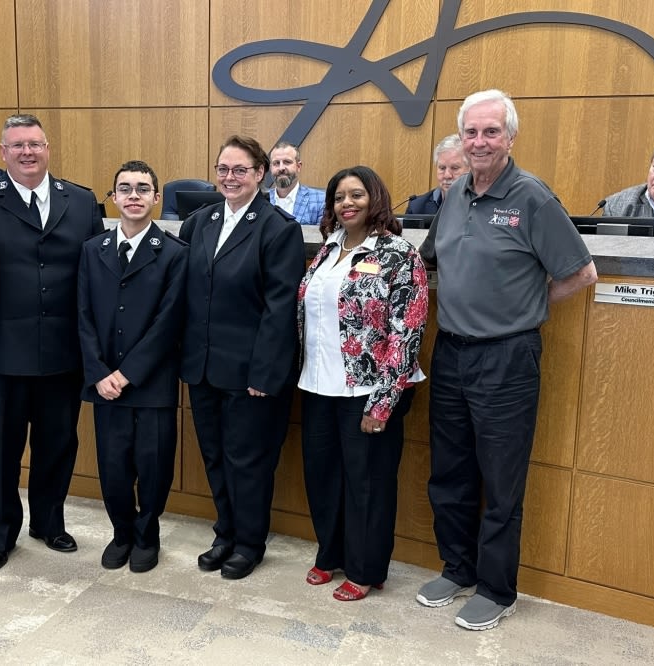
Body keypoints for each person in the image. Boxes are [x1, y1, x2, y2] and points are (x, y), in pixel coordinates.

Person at [417, 89, 597, 630]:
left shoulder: (531, 197)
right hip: (450, 352)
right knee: (449, 472)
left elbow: (581, 274)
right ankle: (458, 568)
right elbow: (430, 262)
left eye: (491, 132)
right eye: (471, 132)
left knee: (501, 480)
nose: (479, 142)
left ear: (510, 137)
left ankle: (497, 589)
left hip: (507, 359)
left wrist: (524, 309)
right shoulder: (453, 196)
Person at [0, 114, 104, 573]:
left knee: (58, 444)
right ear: (2, 154)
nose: (27, 152)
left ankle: (49, 522)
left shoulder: (80, 200)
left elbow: (95, 279)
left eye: (34, 144)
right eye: (16, 146)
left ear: (48, 148)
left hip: (62, 353)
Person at [298, 166, 428, 601]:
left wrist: (383, 402)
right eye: (339, 197)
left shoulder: (398, 253)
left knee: (366, 483)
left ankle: (365, 568)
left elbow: (406, 332)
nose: (346, 203)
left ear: (375, 199)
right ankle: (330, 553)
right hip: (318, 385)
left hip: (368, 390)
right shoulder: (327, 248)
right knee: (322, 476)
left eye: (356, 195)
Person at [179, 135, 305, 580]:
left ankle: (249, 542)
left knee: (247, 461)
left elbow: (280, 308)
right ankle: (225, 532)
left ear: (260, 174)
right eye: (222, 169)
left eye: (239, 170)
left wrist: (266, 372)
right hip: (203, 366)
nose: (229, 178)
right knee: (214, 455)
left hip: (251, 373)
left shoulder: (277, 228)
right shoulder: (200, 221)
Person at [78, 160, 188, 573]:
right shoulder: (92, 250)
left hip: (151, 383)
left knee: (153, 465)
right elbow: (82, 316)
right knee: (113, 465)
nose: (134, 196)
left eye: (143, 189)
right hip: (104, 382)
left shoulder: (175, 253)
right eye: (125, 189)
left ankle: (147, 533)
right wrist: (99, 371)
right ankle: (121, 532)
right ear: (114, 198)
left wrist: (127, 373)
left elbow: (169, 322)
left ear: (157, 198)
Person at [406, 135, 468, 215]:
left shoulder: (483, 206)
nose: (447, 175)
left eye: (454, 168)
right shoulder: (417, 207)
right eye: (442, 168)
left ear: (471, 169)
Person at [267, 141, 325, 225]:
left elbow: (322, 237)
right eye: (276, 163)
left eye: (287, 162)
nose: (281, 168)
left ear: (298, 166)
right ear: (271, 168)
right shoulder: (260, 200)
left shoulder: (320, 200)